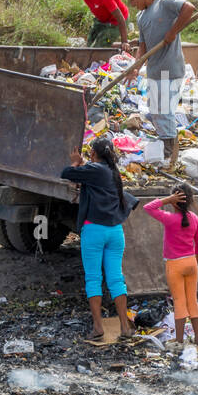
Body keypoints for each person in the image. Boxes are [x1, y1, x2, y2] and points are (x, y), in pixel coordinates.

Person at [61, 137, 138, 340]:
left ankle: (98, 327)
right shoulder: (112, 172)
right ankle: (124, 326)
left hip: (94, 231)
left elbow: (66, 173)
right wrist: (85, 164)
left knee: (94, 279)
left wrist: (76, 161)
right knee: (116, 279)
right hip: (115, 232)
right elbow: (92, 174)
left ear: (94, 154)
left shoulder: (95, 170)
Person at [124, 0, 197, 169]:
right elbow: (143, 45)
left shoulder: (164, 3)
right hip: (155, 70)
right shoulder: (141, 17)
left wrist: (172, 32)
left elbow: (189, 8)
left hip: (170, 68)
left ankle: (170, 153)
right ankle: (166, 146)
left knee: (164, 110)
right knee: (155, 109)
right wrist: (135, 67)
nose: (132, 4)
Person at [143, 186, 198, 345]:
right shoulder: (195, 218)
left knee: (179, 301)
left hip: (174, 264)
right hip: (191, 262)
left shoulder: (169, 218)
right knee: (192, 300)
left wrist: (167, 200)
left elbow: (148, 207)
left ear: (175, 201)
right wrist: (194, 260)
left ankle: (179, 340)